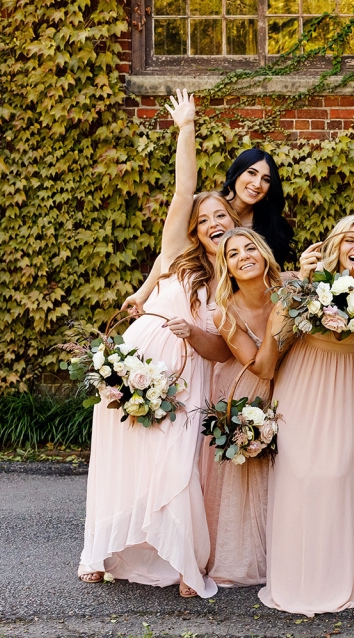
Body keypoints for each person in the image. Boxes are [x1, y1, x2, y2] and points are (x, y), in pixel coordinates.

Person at [78, 91, 235, 598]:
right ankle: (101, 551)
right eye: (205, 219)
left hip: (189, 369)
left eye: (222, 216)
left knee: (176, 460)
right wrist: (186, 127)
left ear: (234, 225)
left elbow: (228, 345)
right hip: (140, 356)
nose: (213, 224)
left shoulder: (236, 274)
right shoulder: (175, 253)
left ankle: (183, 559)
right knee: (124, 458)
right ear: (193, 228)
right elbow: (184, 188)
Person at [259, 215, 354, 616]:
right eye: (350, 240)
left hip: (351, 387)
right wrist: (299, 286)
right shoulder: (311, 282)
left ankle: (336, 574)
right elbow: (278, 337)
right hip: (304, 381)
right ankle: (297, 575)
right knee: (300, 475)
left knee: (340, 475)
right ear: (336, 246)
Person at [198, 228, 283, 587]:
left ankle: (288, 548)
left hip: (292, 384)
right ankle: (246, 557)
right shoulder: (225, 313)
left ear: (264, 253)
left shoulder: (288, 289)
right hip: (250, 388)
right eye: (233, 254)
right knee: (248, 475)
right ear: (227, 268)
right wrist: (278, 322)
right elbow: (261, 367)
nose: (244, 256)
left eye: (250, 248)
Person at [123, 144, 295, 314]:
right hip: (189, 297)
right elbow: (172, 251)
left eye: (266, 179)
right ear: (237, 172)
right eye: (251, 173)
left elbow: (268, 275)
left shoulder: (270, 227)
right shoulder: (204, 205)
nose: (257, 184)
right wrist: (142, 294)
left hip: (229, 308)